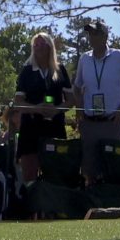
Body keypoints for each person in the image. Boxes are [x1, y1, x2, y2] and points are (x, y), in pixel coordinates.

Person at [71, 20, 120, 184]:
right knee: (89, 171)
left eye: (95, 33)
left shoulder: (119, 57)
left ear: (104, 36)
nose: (91, 37)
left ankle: (112, 206)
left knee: (113, 168)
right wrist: (79, 107)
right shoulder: (84, 59)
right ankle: (92, 206)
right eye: (89, 34)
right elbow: (76, 87)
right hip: (89, 124)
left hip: (111, 123)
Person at [10, 31, 71, 189]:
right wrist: (37, 109)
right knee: (29, 177)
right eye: (35, 45)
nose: (38, 48)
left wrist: (56, 110)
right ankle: (30, 210)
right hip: (30, 130)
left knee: (54, 176)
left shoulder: (60, 70)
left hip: (54, 129)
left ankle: (51, 211)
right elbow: (18, 103)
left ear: (50, 47)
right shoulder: (27, 71)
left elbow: (72, 100)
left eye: (41, 44)